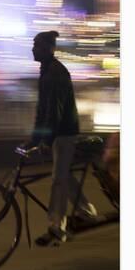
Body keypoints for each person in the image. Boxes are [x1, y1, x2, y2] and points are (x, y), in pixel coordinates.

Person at [28, 31, 97, 246]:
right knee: (64, 175)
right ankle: (86, 210)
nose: (33, 49)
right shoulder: (46, 70)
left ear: (49, 49)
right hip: (59, 132)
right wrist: (32, 140)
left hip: (65, 133)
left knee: (58, 179)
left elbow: (54, 114)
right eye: (33, 45)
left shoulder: (55, 73)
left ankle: (56, 227)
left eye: (37, 46)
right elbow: (43, 110)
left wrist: (45, 142)